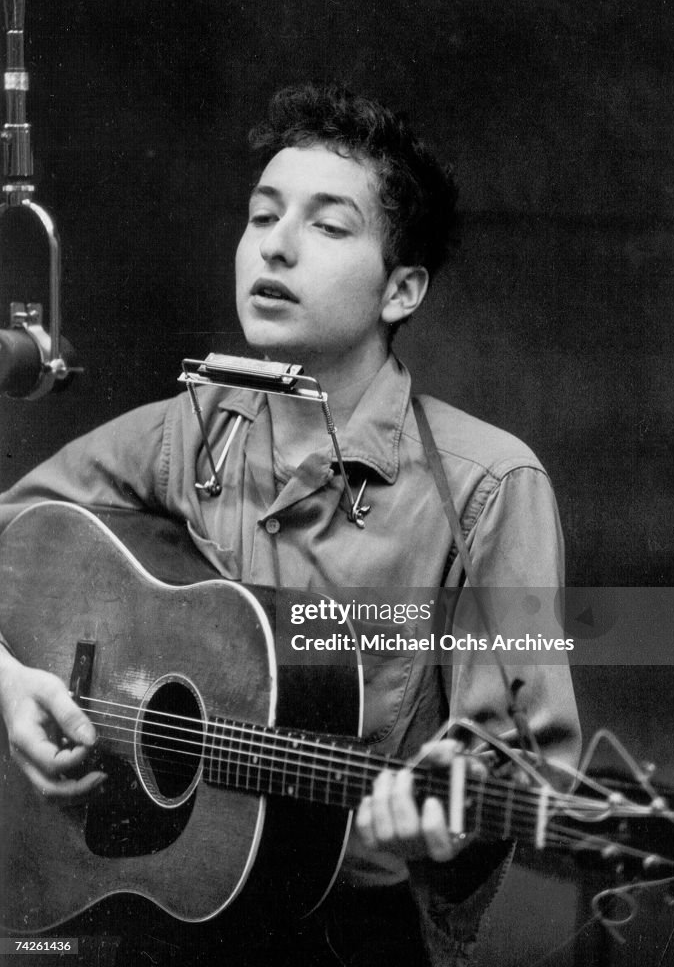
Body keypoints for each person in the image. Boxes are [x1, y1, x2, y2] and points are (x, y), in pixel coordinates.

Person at [0, 84, 580, 966]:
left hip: (351, 939)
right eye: (262, 214)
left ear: (403, 288)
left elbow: (528, 766)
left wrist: (442, 817)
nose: (274, 243)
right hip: (166, 915)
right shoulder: (188, 429)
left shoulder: (492, 486)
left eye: (328, 226)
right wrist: (9, 685)